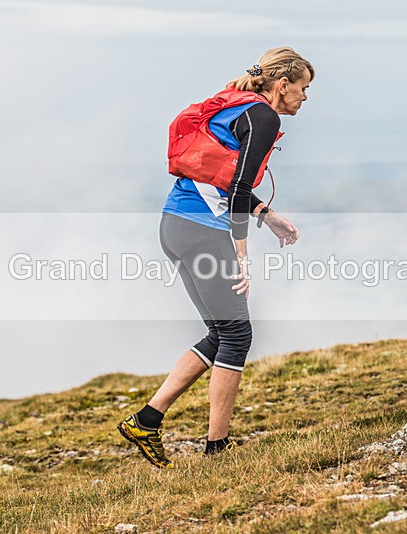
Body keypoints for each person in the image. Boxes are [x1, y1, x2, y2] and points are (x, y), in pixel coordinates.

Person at [118, 47, 314, 468]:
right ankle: (217, 448)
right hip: (203, 232)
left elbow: (219, 179)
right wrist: (241, 250)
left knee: (222, 333)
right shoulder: (265, 116)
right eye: (303, 88)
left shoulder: (237, 106)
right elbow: (238, 188)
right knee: (238, 335)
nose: (305, 97)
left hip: (175, 226)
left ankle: (146, 420)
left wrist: (268, 214)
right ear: (282, 85)